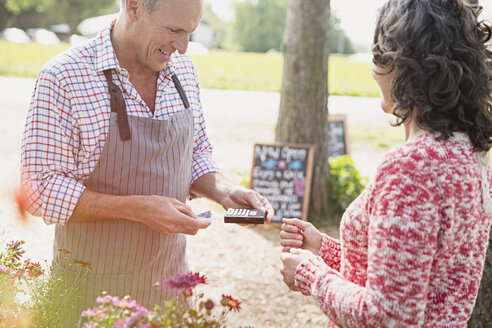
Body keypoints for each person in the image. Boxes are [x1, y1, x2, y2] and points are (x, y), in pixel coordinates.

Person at [20, 0, 273, 323]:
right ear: (134, 6)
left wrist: (224, 191)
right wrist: (139, 209)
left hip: (170, 290)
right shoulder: (64, 77)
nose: (182, 48)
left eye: (190, 33)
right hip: (90, 295)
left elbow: (195, 154)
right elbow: (39, 188)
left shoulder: (184, 72)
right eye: (174, 30)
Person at [280, 0, 492, 326]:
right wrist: (325, 249)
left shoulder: (412, 169)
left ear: (401, 63)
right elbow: (416, 277)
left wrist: (310, 274)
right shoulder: (470, 158)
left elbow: (388, 316)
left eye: (379, 49)